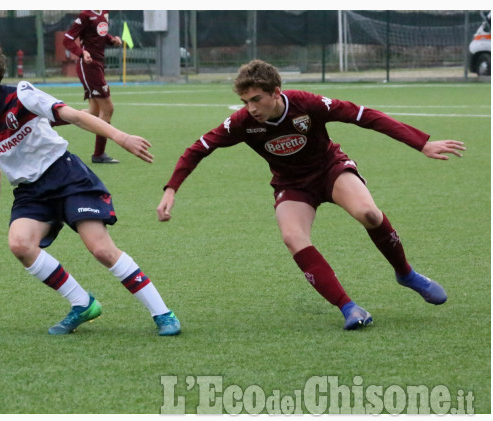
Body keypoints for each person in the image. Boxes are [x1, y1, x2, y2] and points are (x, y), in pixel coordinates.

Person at [157, 59, 465, 330]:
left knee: (369, 214)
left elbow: (365, 115)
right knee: (293, 237)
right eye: (244, 100)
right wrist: (171, 188)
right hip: (292, 184)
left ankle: (406, 273)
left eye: (256, 99)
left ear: (276, 92)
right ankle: (349, 308)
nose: (250, 108)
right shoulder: (242, 122)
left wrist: (420, 143)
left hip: (330, 168)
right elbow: (198, 149)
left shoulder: (308, 104)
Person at [0, 37, 180, 336]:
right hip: (30, 192)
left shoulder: (22, 96)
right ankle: (82, 304)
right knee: (19, 244)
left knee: (101, 249)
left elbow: (76, 116)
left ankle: (163, 313)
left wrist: (120, 137)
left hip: (66, 175)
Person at [63, 10, 122, 164]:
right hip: (88, 65)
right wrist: (81, 53)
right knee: (108, 108)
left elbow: (98, 35)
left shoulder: (104, 12)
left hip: (98, 64)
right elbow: (67, 39)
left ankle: (54, 118)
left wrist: (111, 40)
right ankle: (99, 154)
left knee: (94, 112)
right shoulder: (86, 14)